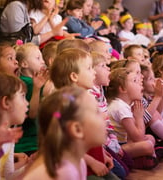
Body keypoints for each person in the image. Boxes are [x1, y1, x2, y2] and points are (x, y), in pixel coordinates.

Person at [50, 48, 120, 179]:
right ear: (74, 76)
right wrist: (92, 162)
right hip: (80, 169)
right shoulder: (67, 104)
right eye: (89, 68)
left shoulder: (85, 98)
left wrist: (102, 154)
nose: (94, 72)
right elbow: (65, 145)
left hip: (95, 161)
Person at [23, 86, 106, 179]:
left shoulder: (78, 162)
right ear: (77, 130)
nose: (105, 116)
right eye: (97, 112)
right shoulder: (62, 172)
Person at [0, 73, 28, 179]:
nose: (27, 103)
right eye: (22, 97)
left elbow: (7, 176)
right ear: (6, 102)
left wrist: (30, 165)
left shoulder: (6, 135)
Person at [15, 43, 48, 155]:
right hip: (27, 144)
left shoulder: (33, 81)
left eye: (42, 57)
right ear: (24, 64)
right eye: (38, 58)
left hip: (33, 140)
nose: (43, 61)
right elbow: (32, 114)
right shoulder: (27, 83)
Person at [0, 0, 67, 45]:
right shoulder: (16, 6)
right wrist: (51, 33)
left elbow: (59, 32)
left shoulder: (25, 8)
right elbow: (19, 42)